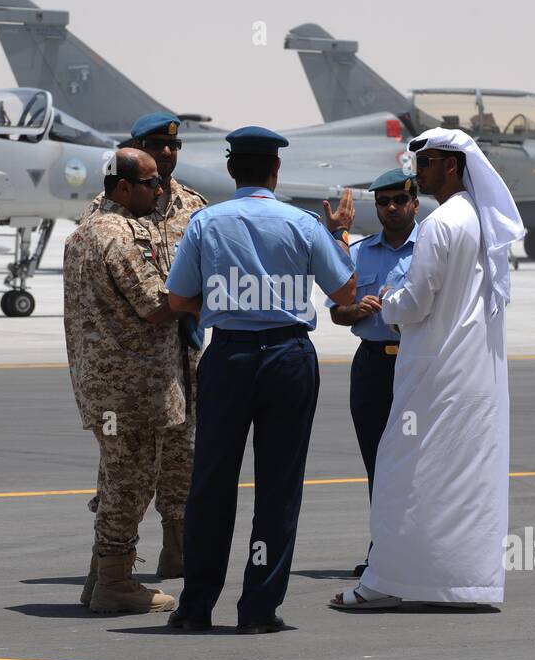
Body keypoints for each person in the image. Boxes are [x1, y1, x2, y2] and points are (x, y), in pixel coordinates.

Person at [164, 126, 357, 633]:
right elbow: (344, 292)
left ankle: (196, 604)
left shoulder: (206, 224)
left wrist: (226, 301)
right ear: (276, 171)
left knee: (210, 484)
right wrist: (338, 234)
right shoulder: (302, 223)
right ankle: (257, 608)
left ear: (232, 170)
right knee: (278, 488)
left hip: (228, 357)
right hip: (288, 358)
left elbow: (177, 300)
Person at [330, 127, 525, 610]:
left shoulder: (442, 224)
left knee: (400, 473)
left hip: (435, 369)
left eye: (427, 163)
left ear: (451, 166)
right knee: (457, 478)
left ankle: (387, 582)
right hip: (472, 370)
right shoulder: (480, 219)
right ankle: (458, 582)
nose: (419, 172)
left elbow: (415, 303)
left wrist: (388, 303)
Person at [78, 112, 208, 581]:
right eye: (156, 145)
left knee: (183, 454)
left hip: (185, 354)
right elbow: (144, 299)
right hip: (134, 362)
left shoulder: (193, 205)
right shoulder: (107, 213)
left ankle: (178, 549)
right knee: (128, 464)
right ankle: (112, 563)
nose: (168, 153)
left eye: (174, 146)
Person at [63, 147, 184, 614]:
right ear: (123, 187)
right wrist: (195, 294)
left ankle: (102, 576)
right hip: (132, 386)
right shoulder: (123, 236)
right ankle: (115, 582)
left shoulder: (85, 231)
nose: (159, 189)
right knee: (132, 481)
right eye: (151, 183)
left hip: (103, 384)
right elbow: (155, 305)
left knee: (117, 477)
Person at [326, 168, 419, 576]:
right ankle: (382, 548)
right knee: (377, 462)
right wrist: (355, 309)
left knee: (418, 460)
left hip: (417, 365)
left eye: (400, 200)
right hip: (372, 366)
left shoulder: (431, 248)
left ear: (415, 202)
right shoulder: (359, 253)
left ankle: (419, 547)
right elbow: (336, 312)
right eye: (384, 202)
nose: (392, 208)